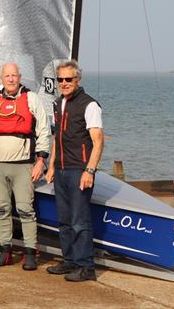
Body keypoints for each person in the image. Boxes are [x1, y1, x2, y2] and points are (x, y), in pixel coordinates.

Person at [0, 62, 51, 270]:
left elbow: (43, 130)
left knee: (25, 209)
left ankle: (29, 253)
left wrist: (41, 161)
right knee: (2, 208)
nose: (10, 79)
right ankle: (5, 251)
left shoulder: (31, 99)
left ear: (20, 77)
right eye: (7, 76)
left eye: (14, 76)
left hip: (23, 165)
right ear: (1, 78)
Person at [45, 60, 104, 282]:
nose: (64, 83)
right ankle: (69, 261)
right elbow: (55, 138)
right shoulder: (57, 103)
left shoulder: (90, 105)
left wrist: (89, 170)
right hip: (60, 169)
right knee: (64, 220)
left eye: (68, 79)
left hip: (79, 169)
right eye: (60, 80)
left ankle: (86, 266)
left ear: (77, 80)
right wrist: (51, 165)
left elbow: (98, 141)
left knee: (80, 221)